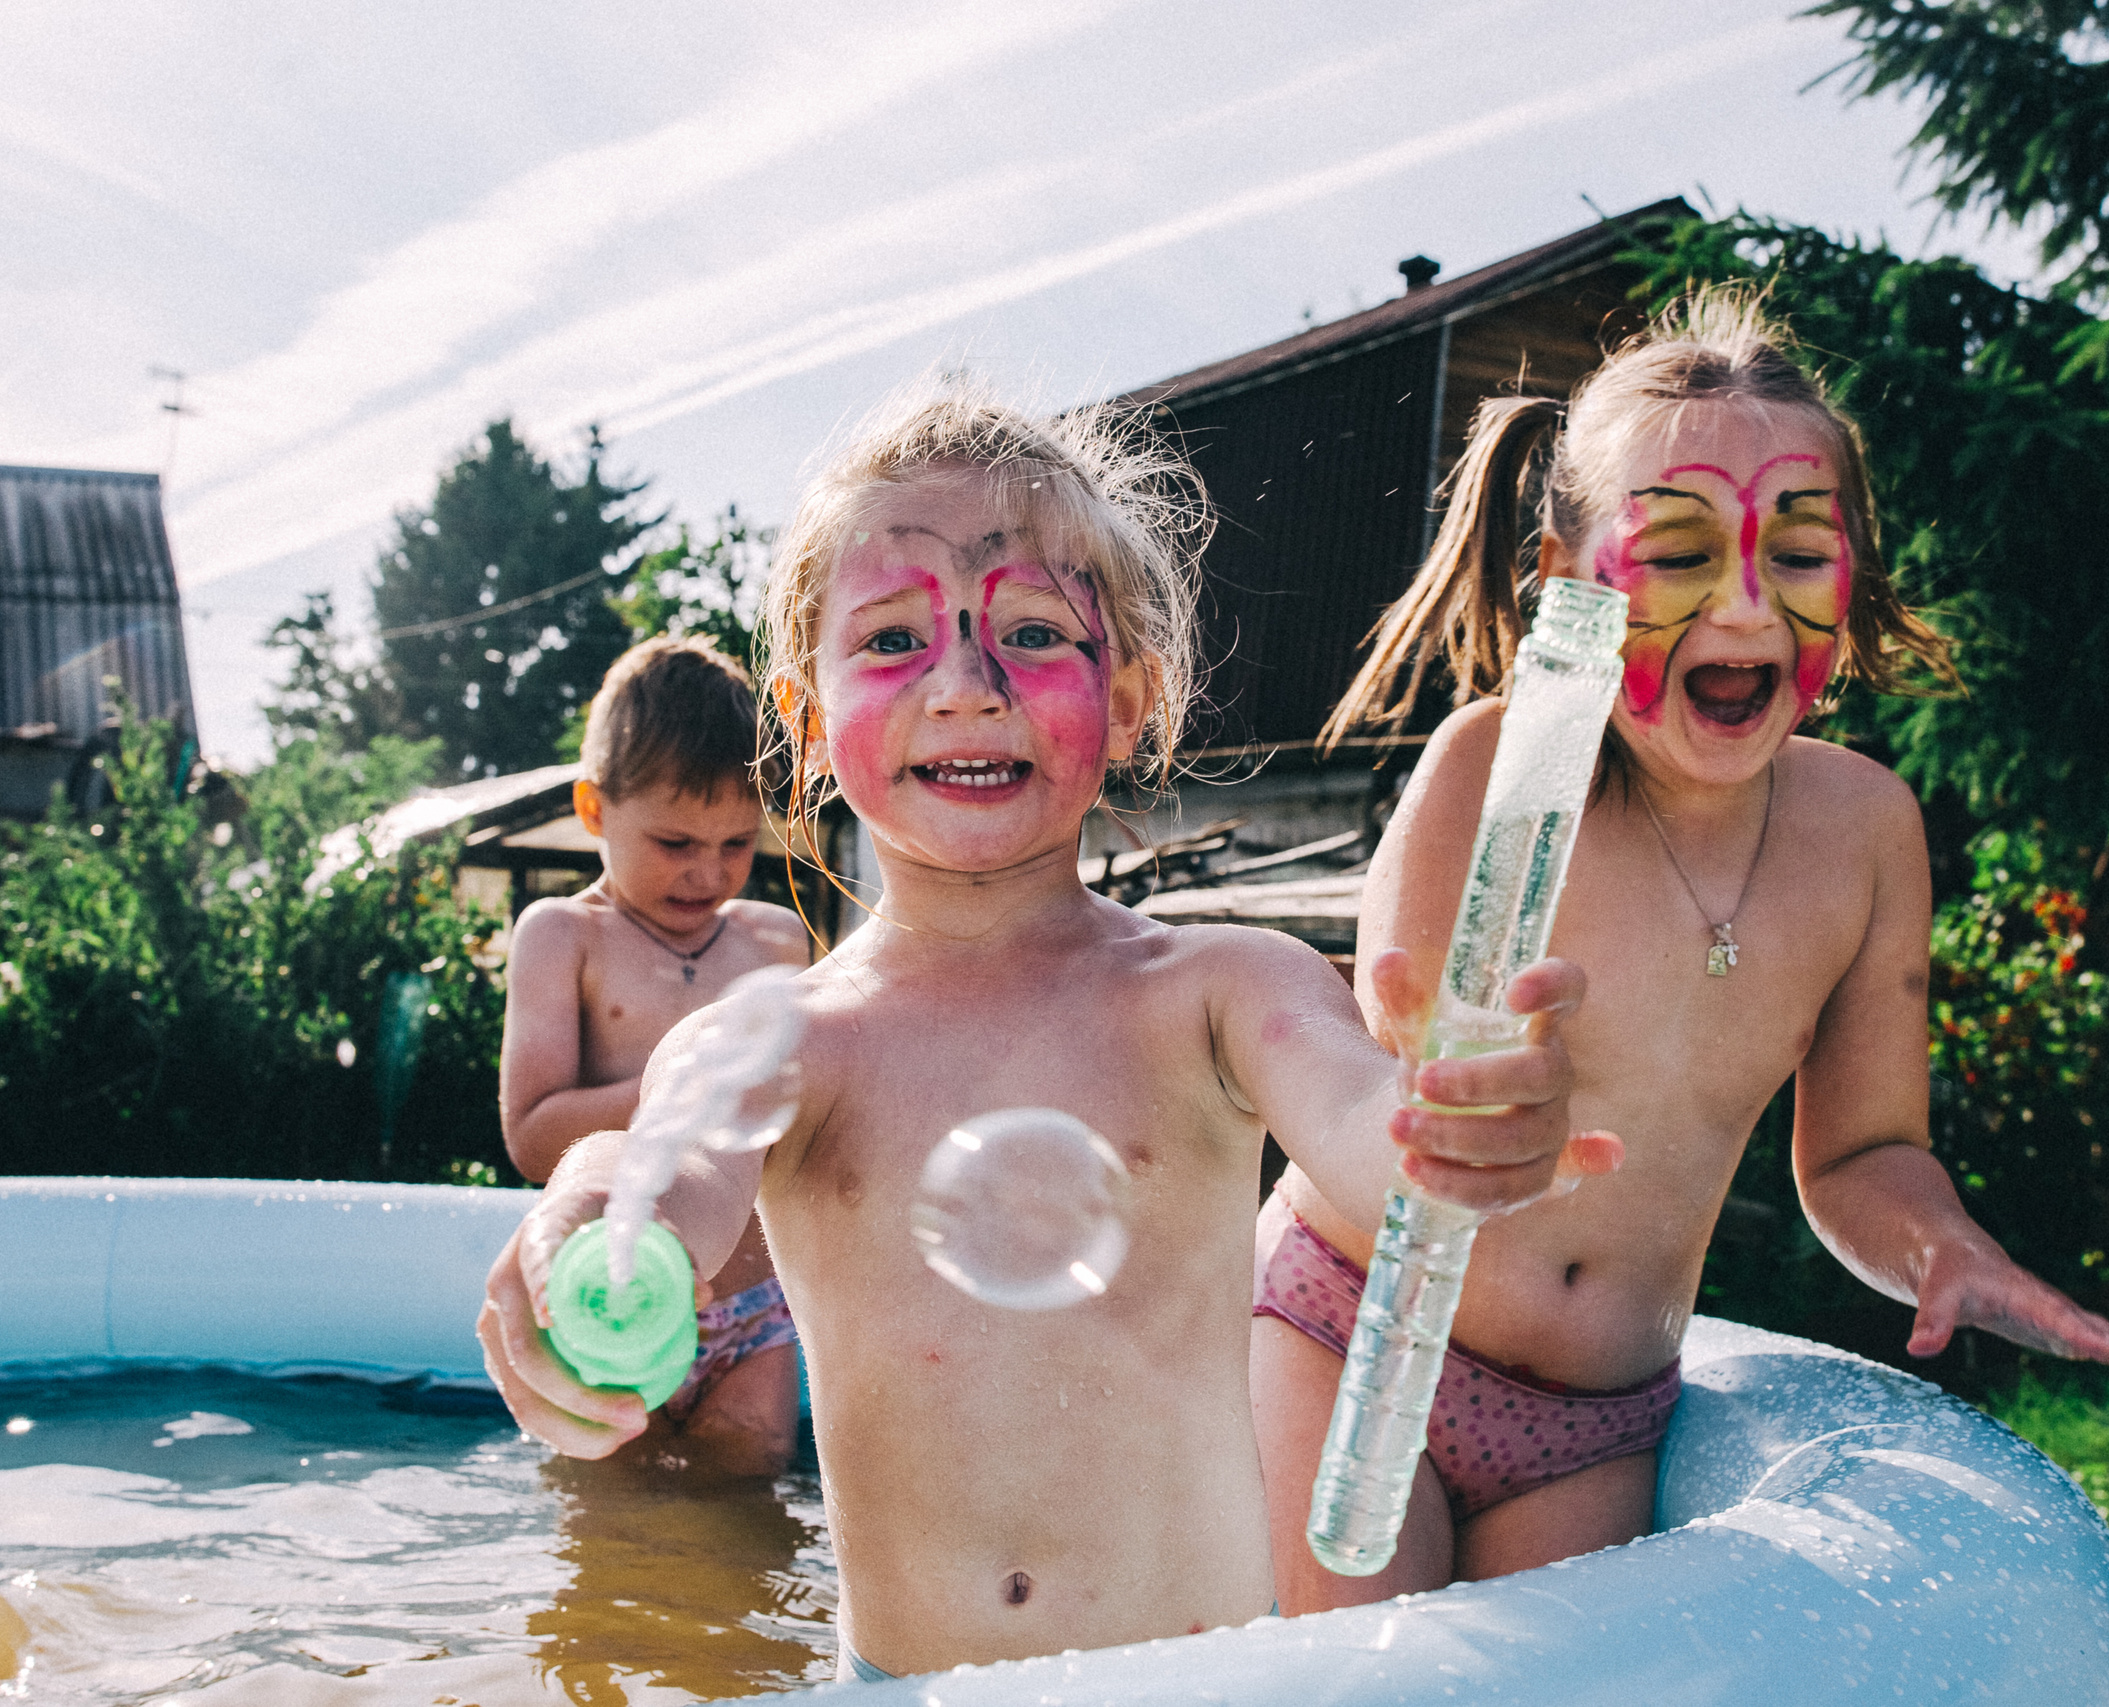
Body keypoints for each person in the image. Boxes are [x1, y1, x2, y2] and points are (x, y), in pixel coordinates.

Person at [475, 385, 1616, 1681]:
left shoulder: (1225, 987)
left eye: (1027, 631)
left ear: (1130, 695)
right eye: (896, 638)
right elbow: (662, 1170)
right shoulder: (782, 1037)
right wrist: (584, 1204)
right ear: (802, 719)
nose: (965, 686)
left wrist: (1458, 1122)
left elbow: (1369, 1135)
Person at [1253, 287, 2109, 1615]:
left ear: (1857, 580)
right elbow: (1372, 1077)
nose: (1746, 608)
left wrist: (1943, 1243)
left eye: (1800, 553)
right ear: (1569, 583)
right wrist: (1455, 1097)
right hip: (1358, 1336)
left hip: (1594, 1417)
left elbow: (1865, 1152)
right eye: (1680, 552)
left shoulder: (1867, 833)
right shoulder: (1502, 768)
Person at [498, 634, 811, 1476]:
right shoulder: (564, 935)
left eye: (737, 843)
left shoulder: (778, 942)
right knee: (608, 1533)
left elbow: (816, 1127)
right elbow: (532, 1137)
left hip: (753, 1303)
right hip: (602, 1295)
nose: (708, 872)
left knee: (744, 1526)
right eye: (675, 843)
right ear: (595, 810)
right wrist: (687, 1078)